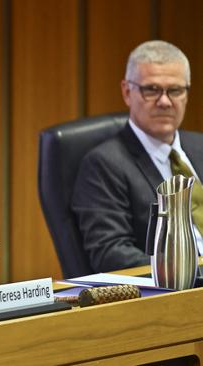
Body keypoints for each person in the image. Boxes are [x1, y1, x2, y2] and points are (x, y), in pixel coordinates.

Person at [72, 40, 203, 273]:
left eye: (175, 90)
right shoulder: (104, 164)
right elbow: (111, 252)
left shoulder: (200, 146)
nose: (164, 101)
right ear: (126, 92)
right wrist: (189, 270)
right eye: (151, 89)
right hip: (172, 292)